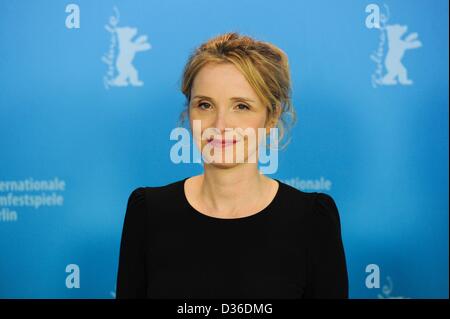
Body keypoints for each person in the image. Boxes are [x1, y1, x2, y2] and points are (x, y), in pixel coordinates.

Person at [116, 32, 348, 299]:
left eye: (241, 106)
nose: (220, 125)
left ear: (270, 117)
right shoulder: (147, 211)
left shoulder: (313, 219)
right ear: (188, 113)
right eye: (205, 105)